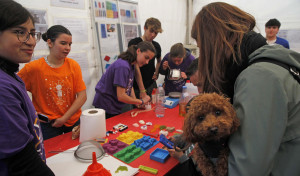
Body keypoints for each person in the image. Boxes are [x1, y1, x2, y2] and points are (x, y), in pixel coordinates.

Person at [191, 2, 300, 176]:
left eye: (202, 47)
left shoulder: (260, 77)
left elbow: (244, 170)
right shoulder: (272, 65)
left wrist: (209, 150)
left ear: (214, 42)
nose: (203, 55)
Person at [0, 0, 54, 175]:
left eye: (32, 33)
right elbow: (22, 162)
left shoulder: (11, 76)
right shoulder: (2, 87)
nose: (31, 41)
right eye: (19, 32)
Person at [18, 25, 87, 140]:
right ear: (50, 43)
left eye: (70, 44)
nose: (68, 48)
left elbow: (82, 96)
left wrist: (64, 118)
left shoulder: (73, 65)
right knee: (52, 155)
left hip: (72, 120)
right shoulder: (34, 68)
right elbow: (14, 91)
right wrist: (28, 113)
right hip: (47, 125)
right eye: (63, 43)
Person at [93, 41, 155, 118]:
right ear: (138, 51)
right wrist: (141, 101)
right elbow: (121, 96)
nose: (147, 62)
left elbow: (129, 85)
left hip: (113, 105)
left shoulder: (132, 64)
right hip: (106, 105)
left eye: (149, 60)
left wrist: (136, 102)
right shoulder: (123, 66)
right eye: (146, 57)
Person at [128, 17, 163, 100]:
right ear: (145, 28)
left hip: (151, 84)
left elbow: (159, 60)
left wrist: (157, 73)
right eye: (151, 31)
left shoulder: (157, 46)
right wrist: (142, 90)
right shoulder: (134, 43)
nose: (153, 35)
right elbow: (135, 67)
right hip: (137, 86)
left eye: (156, 33)